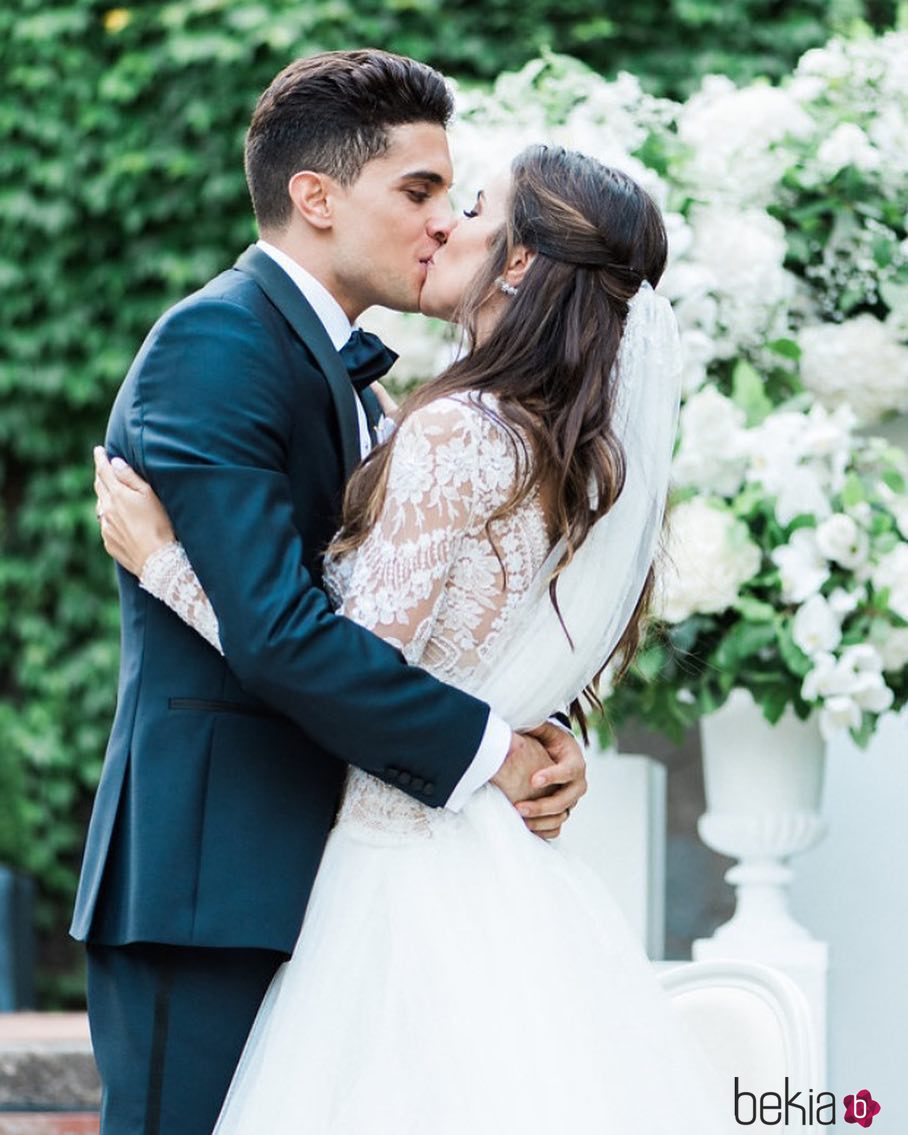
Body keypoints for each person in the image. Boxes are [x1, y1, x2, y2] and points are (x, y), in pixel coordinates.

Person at [93, 143, 734, 1134]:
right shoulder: (560, 444)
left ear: (517, 263)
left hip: (395, 873)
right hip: (475, 871)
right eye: (424, 193)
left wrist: (163, 563)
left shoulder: (454, 429)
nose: (444, 222)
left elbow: (335, 650)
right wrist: (522, 734)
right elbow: (480, 638)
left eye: (469, 204)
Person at [73, 51, 588, 1135]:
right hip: (217, 887)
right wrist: (493, 754)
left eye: (451, 195)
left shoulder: (368, 381)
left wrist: (541, 723)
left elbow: (448, 595)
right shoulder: (215, 345)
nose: (442, 221)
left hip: (345, 879)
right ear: (314, 197)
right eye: (415, 190)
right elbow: (278, 635)